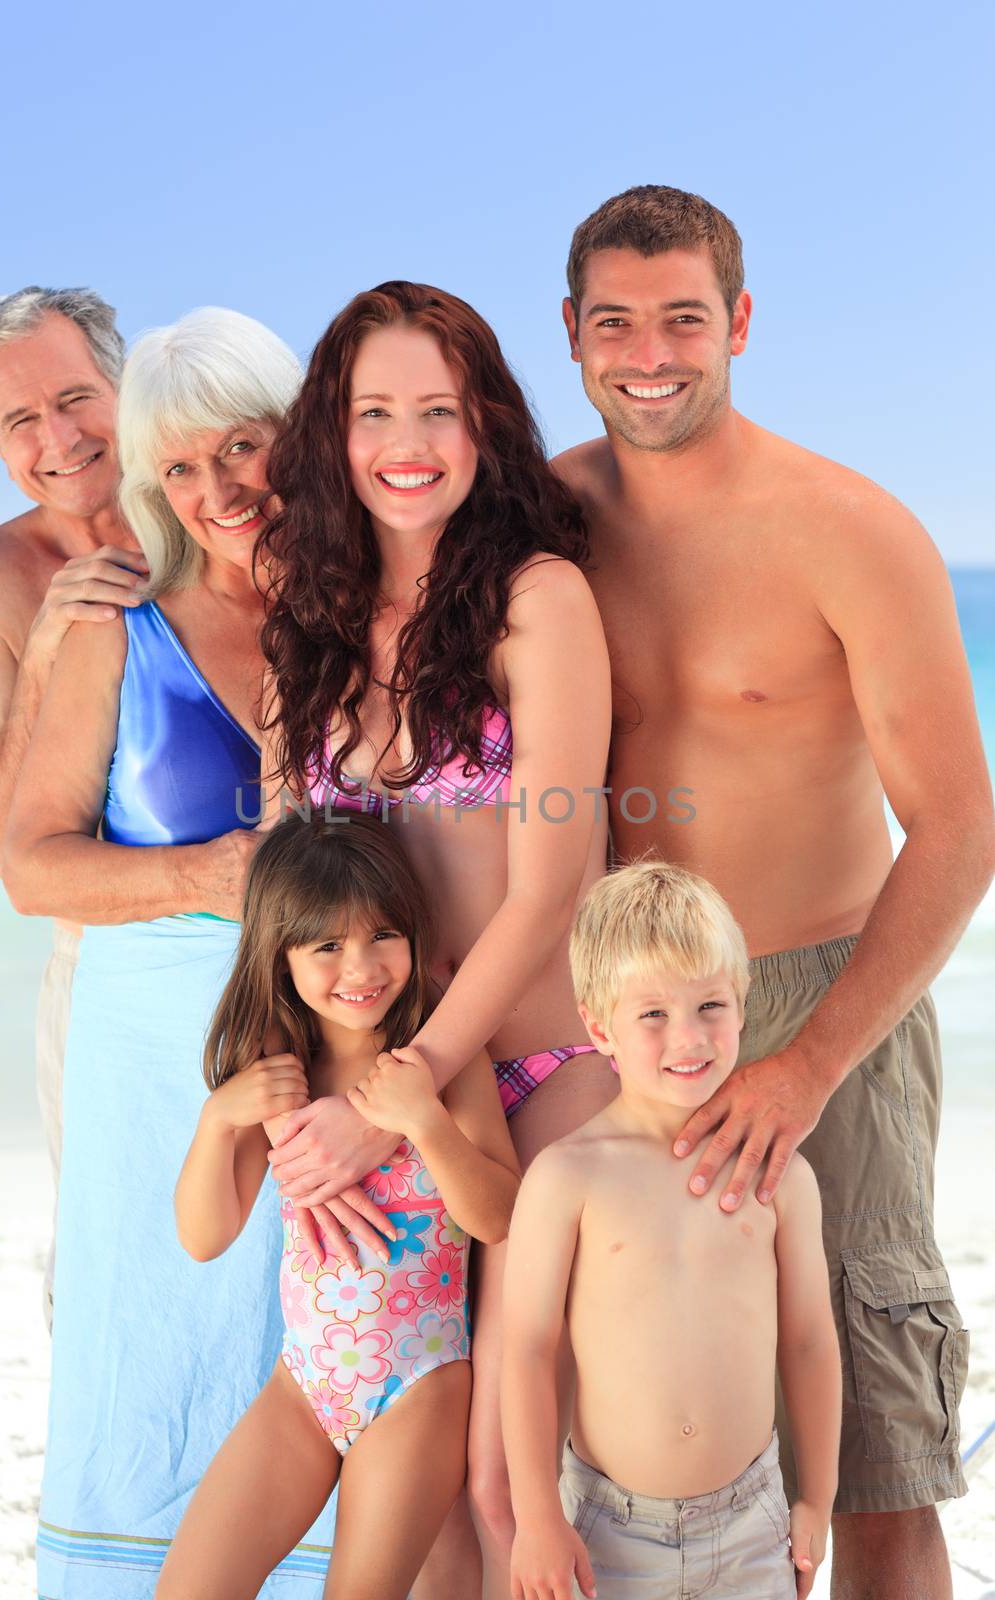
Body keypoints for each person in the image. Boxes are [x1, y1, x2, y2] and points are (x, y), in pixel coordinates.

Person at [554, 183, 995, 1599]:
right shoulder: (538, 523)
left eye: (682, 317)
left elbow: (956, 827)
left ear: (737, 323)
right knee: (609, 1438)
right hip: (603, 1014)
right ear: (568, 333)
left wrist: (807, 1064)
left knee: (867, 1449)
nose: (649, 352)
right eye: (613, 321)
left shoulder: (847, 529)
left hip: (814, 996)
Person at [257, 280, 619, 1596]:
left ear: (484, 428)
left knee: (517, 1480)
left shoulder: (538, 600)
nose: (404, 442)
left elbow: (549, 884)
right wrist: (315, 1104)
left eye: (437, 410)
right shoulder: (301, 615)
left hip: (538, 1069)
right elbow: (285, 889)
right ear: (329, 435)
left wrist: (395, 1100)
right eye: (371, 412)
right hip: (376, 1092)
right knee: (415, 1502)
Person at [0, 308, 331, 1599]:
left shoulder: (366, 614)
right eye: (179, 467)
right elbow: (32, 866)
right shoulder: (113, 625)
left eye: (240, 449)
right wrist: (208, 874)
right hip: (151, 1059)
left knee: (322, 1350)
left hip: (339, 1038)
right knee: (154, 1351)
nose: (215, 492)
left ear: (291, 435)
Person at [159, 812, 520, 1600]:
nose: (360, 966)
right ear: (279, 956)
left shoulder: (440, 1060)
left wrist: (422, 1119)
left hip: (418, 1385)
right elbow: (203, 1237)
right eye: (326, 945)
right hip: (305, 1385)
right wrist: (218, 1118)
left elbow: (500, 1218)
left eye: (382, 934)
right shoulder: (278, 1072)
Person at [503, 860, 841, 1600]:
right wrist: (534, 1518)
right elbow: (527, 1348)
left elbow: (810, 1339)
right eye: (652, 1014)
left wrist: (814, 1496)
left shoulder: (780, 1176)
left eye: (709, 1005)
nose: (687, 1037)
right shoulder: (568, 1176)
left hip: (753, 1523)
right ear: (600, 1027)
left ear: (742, 1004)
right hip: (607, 1528)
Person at [0, 287, 149, 1321]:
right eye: (21, 421)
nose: (58, 438)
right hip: (100, 963)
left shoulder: (214, 510)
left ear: (125, 384)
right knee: (114, 1272)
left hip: (274, 941)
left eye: (76, 398)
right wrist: (49, 657)